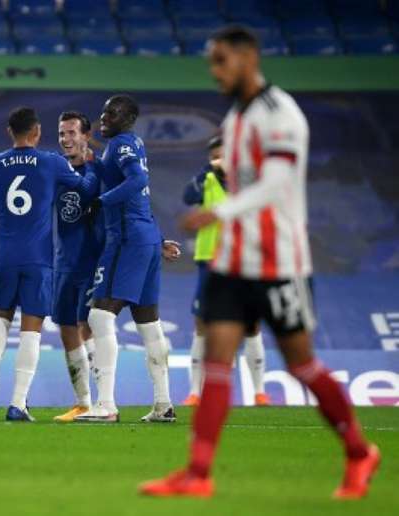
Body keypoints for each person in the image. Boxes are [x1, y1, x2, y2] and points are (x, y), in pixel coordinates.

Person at [140, 26, 380, 499]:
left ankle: (358, 452)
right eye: (212, 62)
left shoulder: (281, 115)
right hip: (232, 262)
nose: (215, 72)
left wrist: (219, 212)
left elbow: (277, 182)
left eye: (221, 61)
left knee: (301, 365)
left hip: (279, 263)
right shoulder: (234, 121)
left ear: (249, 58)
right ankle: (198, 473)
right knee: (215, 362)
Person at [0, 107, 98, 422]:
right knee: (32, 330)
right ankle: (17, 404)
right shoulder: (52, 163)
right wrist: (92, 168)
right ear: (38, 132)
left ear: (9, 131)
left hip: (4, 256)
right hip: (39, 260)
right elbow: (86, 189)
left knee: (0, 317)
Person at [74, 95, 181, 424]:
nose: (104, 116)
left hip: (126, 241)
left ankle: (105, 405)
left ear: (129, 117)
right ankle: (163, 403)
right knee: (149, 323)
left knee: (100, 317)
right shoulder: (129, 143)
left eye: (112, 112)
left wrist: (101, 202)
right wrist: (158, 239)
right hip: (145, 238)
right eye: (104, 111)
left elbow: (138, 181)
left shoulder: (121, 145)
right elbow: (132, 188)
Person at [181, 135, 269, 406]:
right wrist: (209, 169)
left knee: (251, 325)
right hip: (209, 260)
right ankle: (195, 392)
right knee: (202, 324)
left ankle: (259, 393)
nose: (218, 160)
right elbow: (188, 197)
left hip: (242, 262)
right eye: (213, 156)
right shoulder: (205, 180)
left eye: (223, 155)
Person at [51, 111, 105, 422]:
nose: (66, 139)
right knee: (67, 329)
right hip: (63, 264)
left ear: (86, 136)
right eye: (61, 134)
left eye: (72, 133)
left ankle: (104, 400)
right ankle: (83, 403)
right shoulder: (56, 171)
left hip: (92, 263)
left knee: (88, 327)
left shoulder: (99, 170)